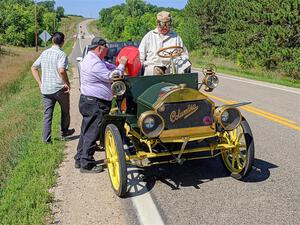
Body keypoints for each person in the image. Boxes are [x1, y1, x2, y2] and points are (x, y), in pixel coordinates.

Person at [74, 37, 127, 173]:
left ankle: (80, 158)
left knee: (86, 131)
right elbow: (112, 76)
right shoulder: (94, 63)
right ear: (100, 48)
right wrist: (122, 65)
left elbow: (109, 66)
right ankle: (87, 163)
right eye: (106, 48)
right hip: (95, 103)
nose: (108, 51)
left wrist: (116, 65)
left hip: (90, 101)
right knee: (93, 132)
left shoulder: (95, 60)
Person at [31, 31, 75, 144]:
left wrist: (40, 83)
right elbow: (61, 70)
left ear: (52, 41)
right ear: (63, 42)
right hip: (59, 88)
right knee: (65, 111)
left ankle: (46, 140)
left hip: (46, 90)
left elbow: (34, 67)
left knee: (47, 115)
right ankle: (64, 132)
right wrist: (67, 83)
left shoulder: (44, 53)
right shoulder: (61, 54)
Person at [139, 11, 191, 75]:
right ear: (157, 23)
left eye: (168, 24)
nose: (165, 27)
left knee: (186, 65)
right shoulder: (149, 36)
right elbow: (140, 56)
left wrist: (180, 61)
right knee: (156, 71)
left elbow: (184, 55)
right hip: (154, 65)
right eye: (163, 25)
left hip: (172, 66)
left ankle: (182, 84)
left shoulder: (176, 37)